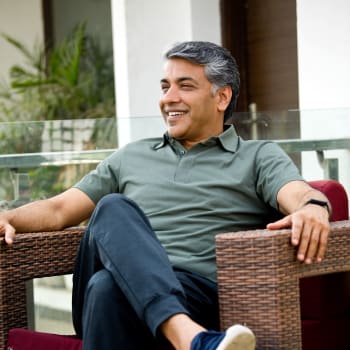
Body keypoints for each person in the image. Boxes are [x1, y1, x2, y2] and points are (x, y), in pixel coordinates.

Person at [0, 41, 331, 350]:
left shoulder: (258, 156)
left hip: (197, 297)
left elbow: (299, 194)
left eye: (185, 86)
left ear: (222, 98)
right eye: (164, 87)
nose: (169, 98)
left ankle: (182, 325)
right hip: (132, 305)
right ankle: (191, 339)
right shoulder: (131, 156)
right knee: (112, 208)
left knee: (105, 287)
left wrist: (314, 207)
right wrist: (9, 217)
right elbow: (59, 209)